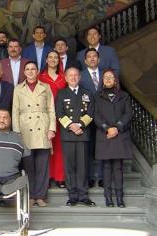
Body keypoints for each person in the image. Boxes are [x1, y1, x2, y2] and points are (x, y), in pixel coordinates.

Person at [12, 61, 56, 207]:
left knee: (43, 166)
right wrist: (17, 132)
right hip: (25, 129)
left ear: (37, 71)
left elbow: (51, 110)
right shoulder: (18, 89)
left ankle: (41, 196)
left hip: (42, 127)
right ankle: (31, 196)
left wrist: (51, 128)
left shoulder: (46, 87)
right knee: (28, 166)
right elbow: (15, 111)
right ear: (24, 72)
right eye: (28, 69)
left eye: (33, 69)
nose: (30, 71)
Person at [55, 67, 96, 207]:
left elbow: (91, 112)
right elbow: (59, 113)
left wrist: (80, 126)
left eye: (75, 75)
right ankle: (72, 195)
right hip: (68, 135)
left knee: (83, 166)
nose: (73, 78)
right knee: (70, 167)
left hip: (83, 134)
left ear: (80, 77)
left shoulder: (87, 93)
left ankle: (84, 195)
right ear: (65, 78)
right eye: (70, 76)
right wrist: (72, 126)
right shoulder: (61, 94)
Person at [94, 69, 133, 208]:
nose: (108, 79)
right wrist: (107, 128)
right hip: (104, 135)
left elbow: (128, 114)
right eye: (105, 77)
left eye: (111, 77)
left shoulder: (124, 95)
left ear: (115, 79)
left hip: (120, 135)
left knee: (118, 167)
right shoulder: (97, 96)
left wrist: (117, 127)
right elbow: (96, 115)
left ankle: (119, 198)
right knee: (106, 167)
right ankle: (108, 198)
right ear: (102, 80)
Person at [38, 50, 67, 188]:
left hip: (61, 117)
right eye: (50, 57)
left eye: (56, 57)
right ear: (46, 60)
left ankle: (60, 177)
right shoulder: (40, 77)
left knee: (60, 148)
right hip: (46, 117)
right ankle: (48, 177)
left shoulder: (64, 77)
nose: (53, 59)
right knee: (47, 147)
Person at [79, 48, 104, 188]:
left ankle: (100, 177)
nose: (92, 58)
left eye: (95, 56)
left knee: (102, 148)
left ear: (98, 59)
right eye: (89, 56)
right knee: (87, 149)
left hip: (103, 118)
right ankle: (88, 177)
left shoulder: (106, 75)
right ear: (85, 60)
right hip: (86, 118)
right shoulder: (80, 76)